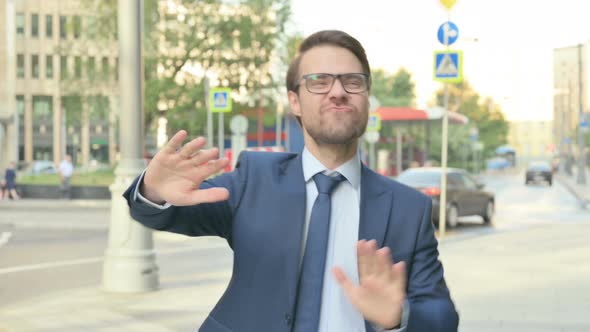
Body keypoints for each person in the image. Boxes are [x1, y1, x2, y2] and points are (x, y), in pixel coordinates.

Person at [124, 30, 458, 332]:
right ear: (295, 101)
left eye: (353, 82)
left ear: (367, 98)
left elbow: (442, 317)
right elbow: (169, 212)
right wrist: (152, 192)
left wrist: (399, 316)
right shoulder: (255, 178)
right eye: (319, 81)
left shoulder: (408, 208)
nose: (338, 92)